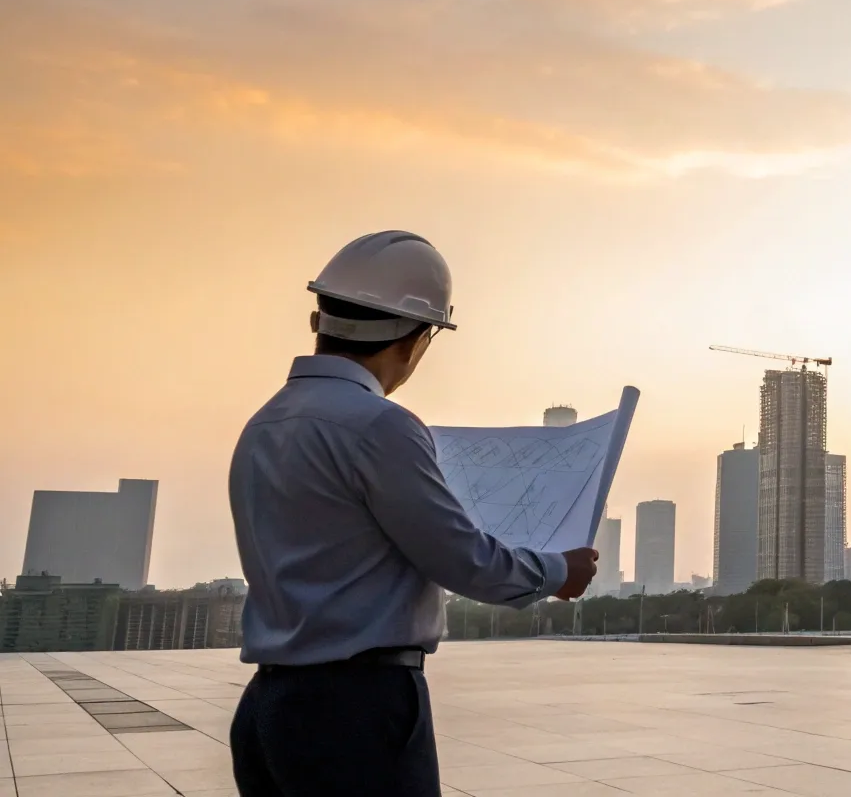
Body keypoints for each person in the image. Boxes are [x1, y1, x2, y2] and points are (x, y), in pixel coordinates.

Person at [228, 230, 599, 796]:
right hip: (355, 711)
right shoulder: (380, 426)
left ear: (319, 320)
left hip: (268, 708)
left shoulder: (264, 424)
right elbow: (461, 558)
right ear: (417, 339)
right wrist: (557, 571)